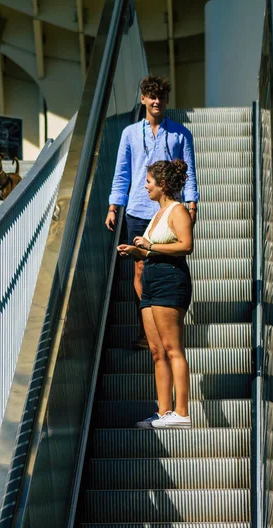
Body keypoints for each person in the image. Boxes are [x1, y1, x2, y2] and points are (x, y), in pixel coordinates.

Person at [105, 75, 199, 350]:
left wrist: (192, 204)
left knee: (169, 264)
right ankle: (148, 330)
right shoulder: (130, 133)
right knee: (140, 270)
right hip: (137, 209)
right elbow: (122, 173)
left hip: (170, 210)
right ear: (143, 99)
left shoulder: (181, 133)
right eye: (151, 96)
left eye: (161, 96)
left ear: (167, 100)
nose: (157, 101)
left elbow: (190, 172)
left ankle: (169, 322)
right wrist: (114, 206)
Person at [117, 159, 193, 429]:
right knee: (156, 351)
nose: (145, 186)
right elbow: (152, 249)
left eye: (149, 182)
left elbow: (186, 246)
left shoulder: (178, 210)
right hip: (150, 282)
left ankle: (181, 412)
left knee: (173, 349)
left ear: (162, 185)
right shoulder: (157, 214)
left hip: (169, 281)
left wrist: (151, 246)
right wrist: (136, 250)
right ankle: (163, 412)